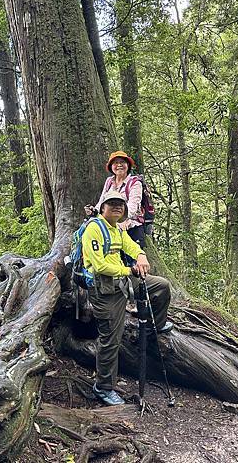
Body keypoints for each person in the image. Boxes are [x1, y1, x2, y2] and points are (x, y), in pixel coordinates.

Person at [82, 190, 173, 406]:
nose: (117, 207)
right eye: (112, 203)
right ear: (102, 207)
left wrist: (140, 255)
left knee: (161, 286)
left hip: (122, 279)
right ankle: (103, 387)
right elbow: (99, 265)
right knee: (110, 339)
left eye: (120, 204)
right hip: (104, 290)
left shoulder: (117, 230)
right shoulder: (94, 229)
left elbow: (130, 246)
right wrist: (129, 270)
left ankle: (154, 327)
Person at [85, 150, 146, 263]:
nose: (119, 165)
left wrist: (121, 220)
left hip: (131, 227)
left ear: (128, 165)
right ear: (111, 167)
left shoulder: (135, 183)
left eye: (122, 162)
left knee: (132, 262)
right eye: (115, 163)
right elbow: (102, 201)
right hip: (112, 227)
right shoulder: (109, 181)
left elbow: (133, 205)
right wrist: (95, 211)